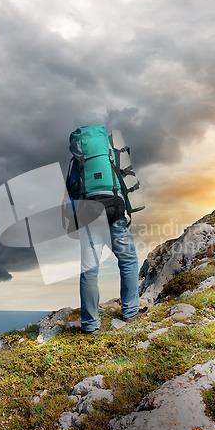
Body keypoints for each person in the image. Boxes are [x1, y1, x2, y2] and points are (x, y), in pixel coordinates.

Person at [66, 127, 147, 335]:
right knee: (128, 260)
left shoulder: (77, 162)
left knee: (89, 271)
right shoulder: (111, 154)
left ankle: (90, 325)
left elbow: (72, 188)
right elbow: (124, 179)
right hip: (114, 211)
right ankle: (130, 311)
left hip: (88, 214)